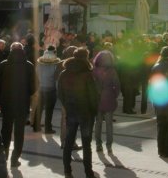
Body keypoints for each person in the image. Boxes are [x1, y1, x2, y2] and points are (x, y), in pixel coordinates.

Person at [0, 41, 37, 167]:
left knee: (5, 130)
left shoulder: (4, 64)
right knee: (19, 132)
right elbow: (35, 86)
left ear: (11, 50)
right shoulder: (28, 66)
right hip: (22, 103)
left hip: (6, 103)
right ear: (22, 50)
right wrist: (27, 92)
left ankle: (4, 155)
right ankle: (14, 158)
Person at [58, 47, 100, 178]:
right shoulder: (88, 74)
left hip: (71, 111)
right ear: (85, 57)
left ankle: (67, 171)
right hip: (86, 113)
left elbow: (60, 94)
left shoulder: (64, 73)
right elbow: (93, 96)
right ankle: (88, 172)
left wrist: (67, 106)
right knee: (86, 144)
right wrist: (94, 111)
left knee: (68, 142)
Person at [92, 49, 120, 154]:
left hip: (97, 99)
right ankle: (109, 146)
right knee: (109, 124)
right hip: (109, 99)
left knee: (98, 123)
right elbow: (117, 86)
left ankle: (98, 145)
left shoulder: (94, 70)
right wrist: (114, 95)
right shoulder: (112, 71)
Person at [35, 45, 61, 133]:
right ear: (54, 51)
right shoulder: (56, 61)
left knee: (39, 107)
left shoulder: (40, 60)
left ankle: (36, 126)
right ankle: (47, 128)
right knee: (49, 110)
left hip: (41, 87)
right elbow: (56, 76)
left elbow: (36, 72)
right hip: (51, 88)